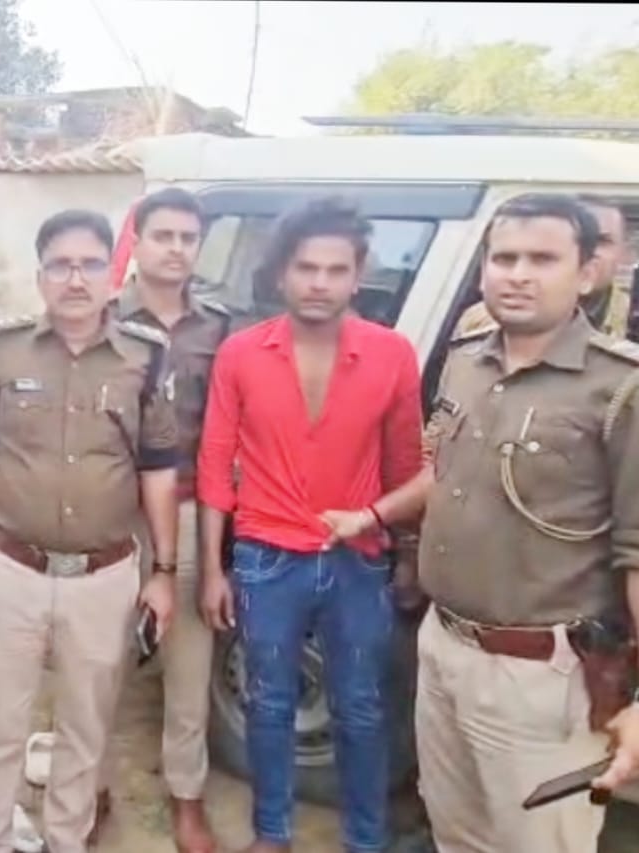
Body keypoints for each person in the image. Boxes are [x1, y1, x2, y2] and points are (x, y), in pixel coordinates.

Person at [0, 209, 180, 853]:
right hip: (12, 567)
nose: (76, 278)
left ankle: (67, 839)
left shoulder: (145, 357)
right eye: (60, 265)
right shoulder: (2, 351)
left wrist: (163, 572)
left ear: (112, 274)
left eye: (90, 264)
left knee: (85, 727)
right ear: (40, 276)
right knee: (0, 722)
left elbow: (158, 471)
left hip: (104, 574)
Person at [196, 197, 432, 853]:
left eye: (336, 269)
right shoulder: (241, 353)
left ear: (358, 276)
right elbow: (214, 463)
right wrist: (212, 569)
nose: (320, 283)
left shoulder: (391, 354)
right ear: (282, 274)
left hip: (358, 558)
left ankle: (365, 838)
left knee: (361, 706)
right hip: (265, 557)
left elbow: (405, 465)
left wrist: (406, 553)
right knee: (268, 703)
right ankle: (272, 832)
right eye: (306, 268)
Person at [416, 193, 639, 853]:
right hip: (443, 647)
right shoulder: (466, 360)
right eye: (504, 257)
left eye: (542, 259)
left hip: (544, 678)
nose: (517, 274)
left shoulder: (620, 389)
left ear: (588, 273)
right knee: (456, 833)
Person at [102, 188, 230, 853]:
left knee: (189, 663)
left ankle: (187, 796)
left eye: (188, 237)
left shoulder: (220, 329)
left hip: (185, 510)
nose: (176, 249)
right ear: (139, 241)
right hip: (111, 510)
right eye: (163, 236)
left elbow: (226, 433)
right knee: (99, 660)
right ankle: (89, 787)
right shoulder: (101, 320)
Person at [452, 195, 631, 338]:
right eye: (577, 241)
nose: (589, 252)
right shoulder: (478, 321)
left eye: (602, 241)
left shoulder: (632, 319)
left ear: (623, 252)